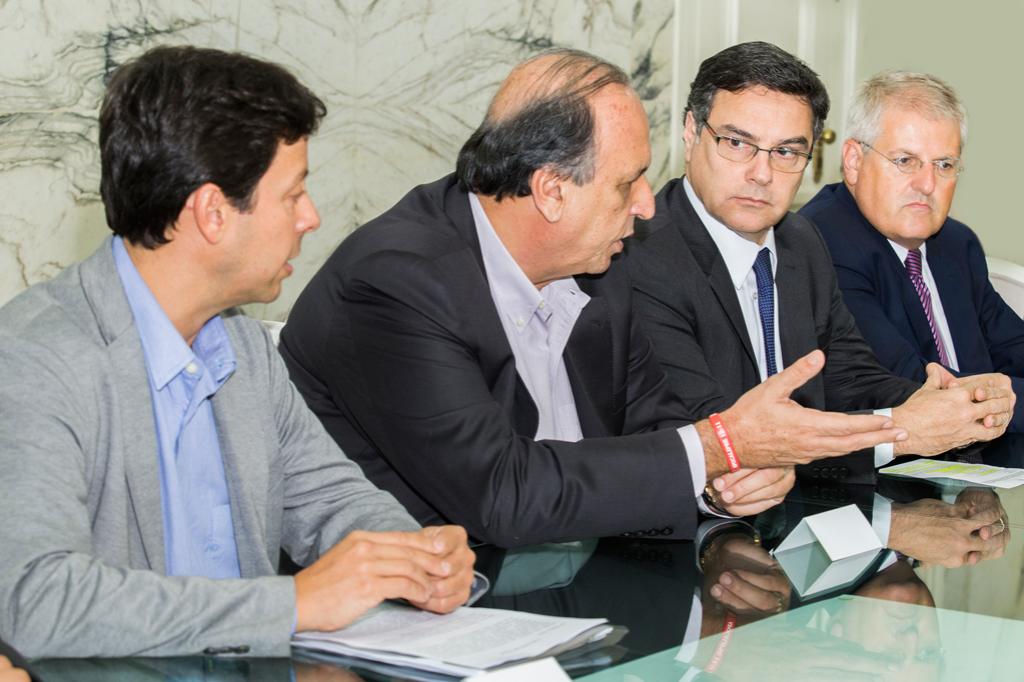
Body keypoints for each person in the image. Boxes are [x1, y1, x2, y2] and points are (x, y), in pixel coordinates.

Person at [281, 48, 908, 549]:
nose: (646, 206)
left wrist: (720, 485)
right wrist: (721, 446)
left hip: (580, 589)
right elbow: (505, 496)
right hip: (422, 613)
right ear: (552, 190)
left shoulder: (598, 265)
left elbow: (658, 430)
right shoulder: (395, 283)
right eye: (627, 183)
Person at [0, 46, 474, 659]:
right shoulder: (35, 357)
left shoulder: (243, 346)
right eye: (293, 194)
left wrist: (417, 557)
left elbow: (331, 501)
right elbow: (38, 599)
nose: (311, 218)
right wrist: (292, 604)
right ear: (213, 213)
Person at [627, 43, 1013, 481]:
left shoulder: (800, 240)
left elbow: (852, 380)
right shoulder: (642, 254)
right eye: (737, 143)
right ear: (691, 132)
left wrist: (950, 405)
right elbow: (720, 441)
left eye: (786, 152)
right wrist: (900, 432)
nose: (762, 174)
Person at [800, 71, 1024, 432]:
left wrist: (1004, 399)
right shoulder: (821, 241)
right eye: (905, 161)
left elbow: (1014, 346)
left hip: (984, 453)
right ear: (854, 161)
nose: (927, 184)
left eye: (944, 164)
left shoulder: (955, 243)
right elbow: (914, 390)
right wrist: (1005, 400)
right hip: (895, 460)